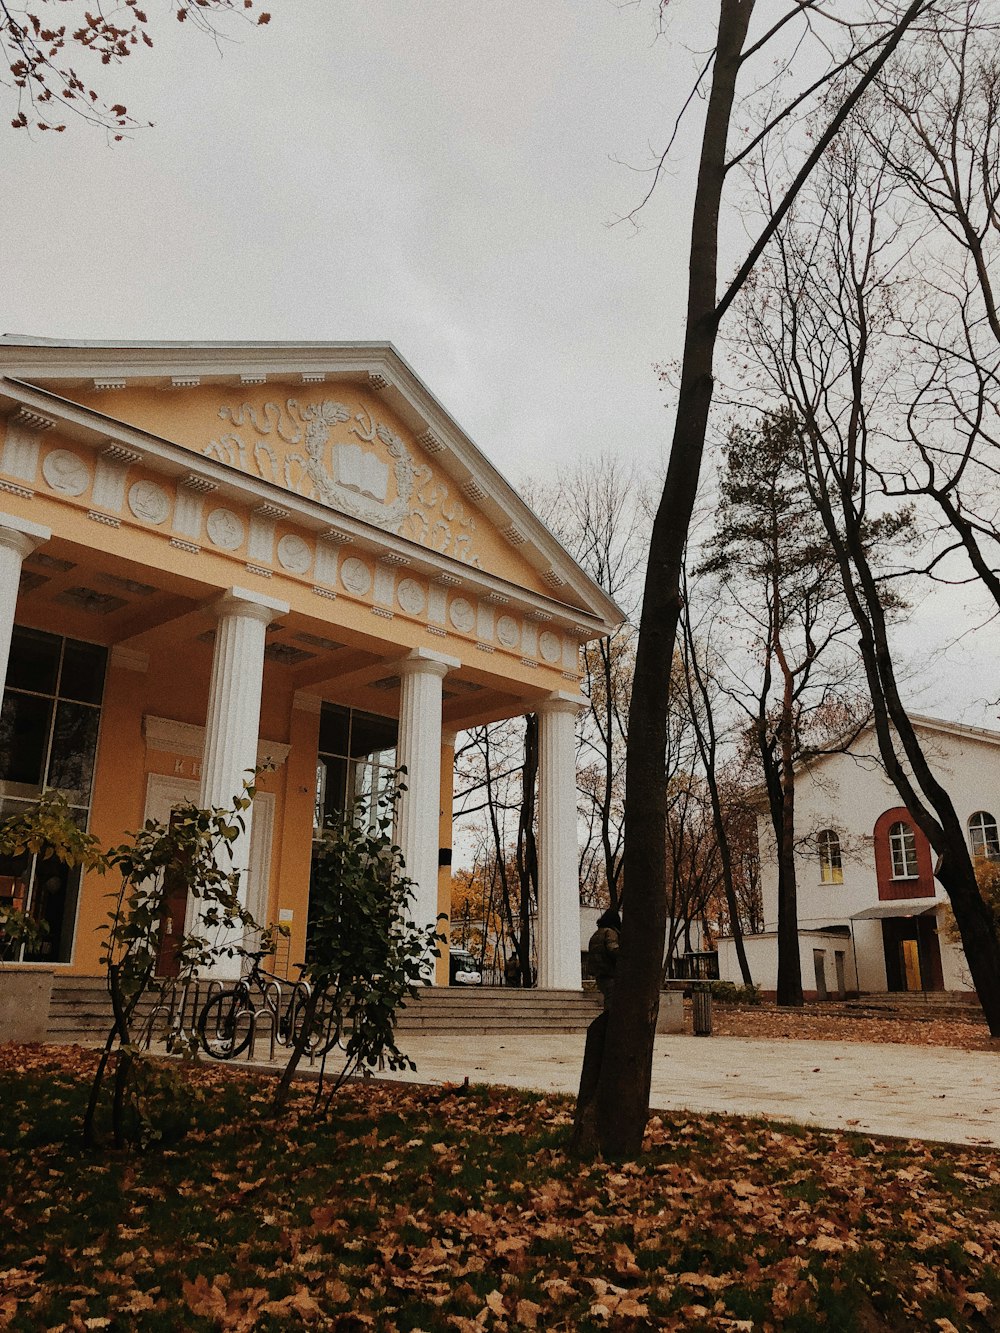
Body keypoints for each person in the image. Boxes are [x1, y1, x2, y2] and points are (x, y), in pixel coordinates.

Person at [587, 907, 621, 1010]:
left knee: (609, 1000)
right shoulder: (610, 932)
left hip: (600, 974)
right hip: (610, 973)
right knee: (612, 1004)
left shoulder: (596, 934)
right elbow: (613, 950)